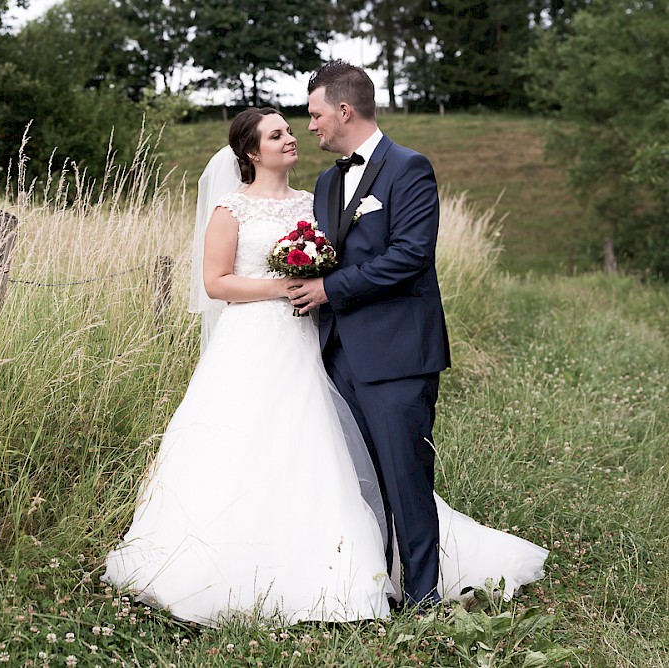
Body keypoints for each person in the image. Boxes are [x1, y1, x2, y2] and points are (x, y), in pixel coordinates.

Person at [102, 106, 547, 628]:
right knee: (242, 446)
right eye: (277, 134)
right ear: (250, 152)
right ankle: (235, 566)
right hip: (252, 343)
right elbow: (216, 283)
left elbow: (348, 261)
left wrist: (315, 286)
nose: (293, 136)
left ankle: (357, 566)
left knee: (321, 448)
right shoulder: (230, 209)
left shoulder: (315, 200)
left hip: (313, 342)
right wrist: (281, 288)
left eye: (292, 128)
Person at [287, 60, 449, 609]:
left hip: (398, 353)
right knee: (361, 481)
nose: (310, 126)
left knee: (406, 477)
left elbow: (410, 255)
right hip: (337, 356)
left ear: (344, 110)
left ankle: (423, 597)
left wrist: (332, 290)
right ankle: (373, 589)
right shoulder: (327, 181)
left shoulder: (409, 168)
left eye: (314, 114)